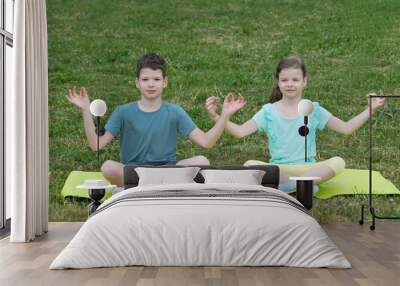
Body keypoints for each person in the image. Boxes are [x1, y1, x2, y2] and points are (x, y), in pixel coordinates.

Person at [205, 56, 386, 192]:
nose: (290, 84)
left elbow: (346, 129)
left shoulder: (313, 109)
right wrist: (218, 117)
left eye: (295, 80)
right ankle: (301, 185)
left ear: (304, 82)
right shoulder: (268, 111)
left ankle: (294, 185)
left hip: (308, 168)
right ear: (278, 82)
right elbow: (240, 132)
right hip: (280, 170)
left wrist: (370, 109)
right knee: (249, 164)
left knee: (339, 162)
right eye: (284, 80)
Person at [67, 53, 245, 186]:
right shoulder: (123, 112)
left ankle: (147, 186)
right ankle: (156, 185)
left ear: (164, 82)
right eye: (145, 79)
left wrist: (225, 115)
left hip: (167, 169)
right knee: (108, 167)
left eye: (156, 79)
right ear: (137, 82)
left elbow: (206, 142)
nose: (151, 84)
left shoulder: (175, 112)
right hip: (135, 171)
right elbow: (96, 145)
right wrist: (85, 110)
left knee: (202, 161)